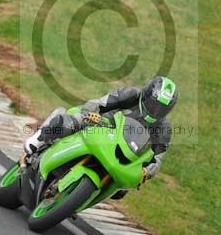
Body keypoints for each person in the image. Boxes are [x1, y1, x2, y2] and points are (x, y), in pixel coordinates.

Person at [23, 76, 178, 196]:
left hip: (124, 151)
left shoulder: (163, 128)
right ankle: (38, 140)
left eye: (162, 108)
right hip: (101, 126)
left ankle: (79, 198)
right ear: (146, 95)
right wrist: (90, 113)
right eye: (154, 103)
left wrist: (146, 172)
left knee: (121, 191)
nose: (156, 110)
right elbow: (99, 103)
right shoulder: (131, 95)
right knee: (72, 122)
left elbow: (157, 159)